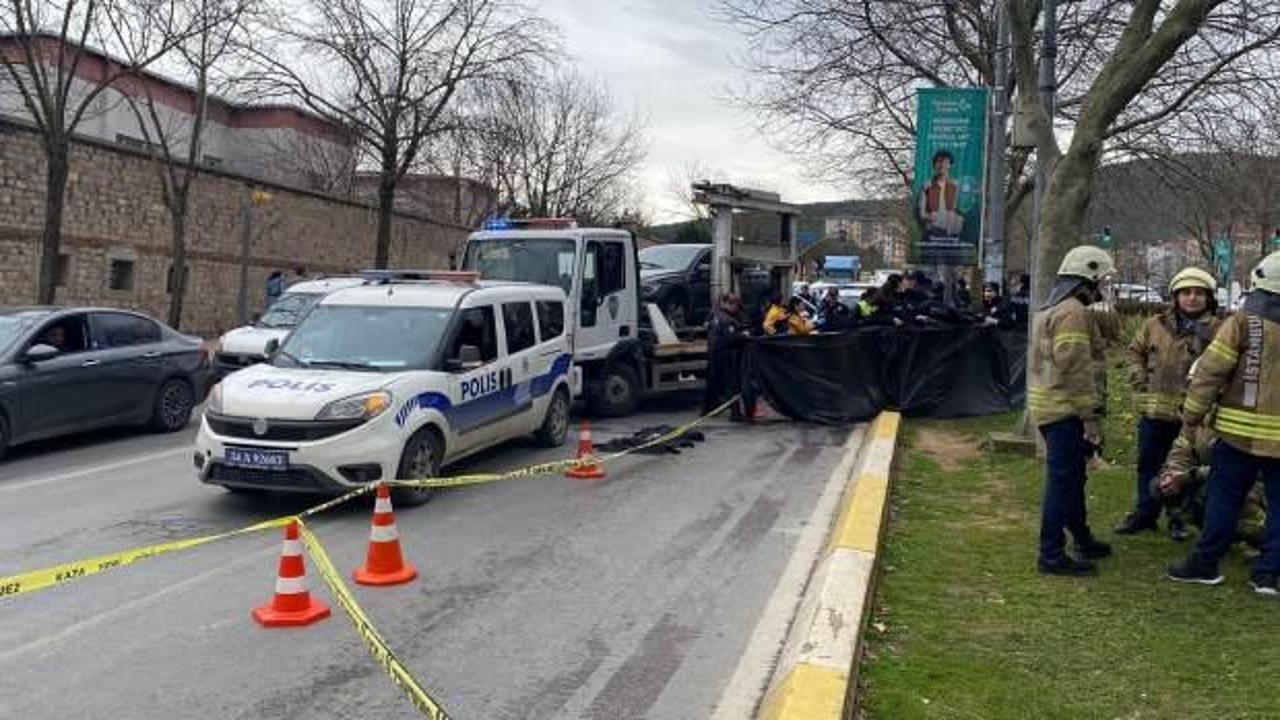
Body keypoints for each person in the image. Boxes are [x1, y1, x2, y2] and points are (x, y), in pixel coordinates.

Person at [1167, 250, 1280, 595]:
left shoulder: (1243, 323)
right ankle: (1268, 575)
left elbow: (1210, 371)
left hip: (1236, 435)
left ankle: (1205, 563)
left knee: (1223, 497)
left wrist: (1192, 415)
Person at [1028, 245, 1116, 576]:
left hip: (1052, 407)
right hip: (1065, 410)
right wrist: (1089, 418)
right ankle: (1051, 556)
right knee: (1063, 483)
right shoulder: (1072, 313)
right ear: (1087, 280)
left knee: (1073, 479)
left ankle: (1081, 537)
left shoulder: (1053, 308)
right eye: (1100, 282)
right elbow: (1075, 368)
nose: (1102, 289)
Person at [1116, 267, 1222, 540]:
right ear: (1175, 296)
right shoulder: (1155, 325)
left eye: (1199, 293)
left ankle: (1178, 518)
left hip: (1193, 416)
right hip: (1155, 411)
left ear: (1209, 298)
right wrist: (1139, 379)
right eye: (1186, 293)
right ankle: (1145, 514)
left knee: (1183, 468)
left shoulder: (1219, 329)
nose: (1192, 298)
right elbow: (1133, 353)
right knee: (1149, 463)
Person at [1154, 416, 1267, 549]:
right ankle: (1213, 532)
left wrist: (1190, 476)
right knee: (1159, 486)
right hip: (1210, 480)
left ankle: (1258, 536)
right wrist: (1172, 474)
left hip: (1253, 487)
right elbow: (1182, 449)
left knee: (1218, 494)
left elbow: (1238, 469)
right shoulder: (1200, 417)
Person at [705, 293, 752, 421]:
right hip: (726, 355)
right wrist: (744, 335)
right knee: (732, 384)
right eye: (735, 305)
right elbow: (731, 338)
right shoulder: (726, 319)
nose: (737, 308)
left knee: (713, 382)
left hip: (714, 353)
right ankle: (735, 413)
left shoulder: (714, 313)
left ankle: (708, 409)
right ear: (727, 303)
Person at [918, 150, 963, 240]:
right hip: (934, 233)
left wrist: (959, 220)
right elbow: (921, 213)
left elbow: (962, 209)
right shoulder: (927, 186)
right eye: (939, 162)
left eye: (946, 162)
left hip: (953, 234)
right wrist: (929, 217)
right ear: (934, 165)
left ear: (950, 165)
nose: (942, 165)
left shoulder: (956, 186)